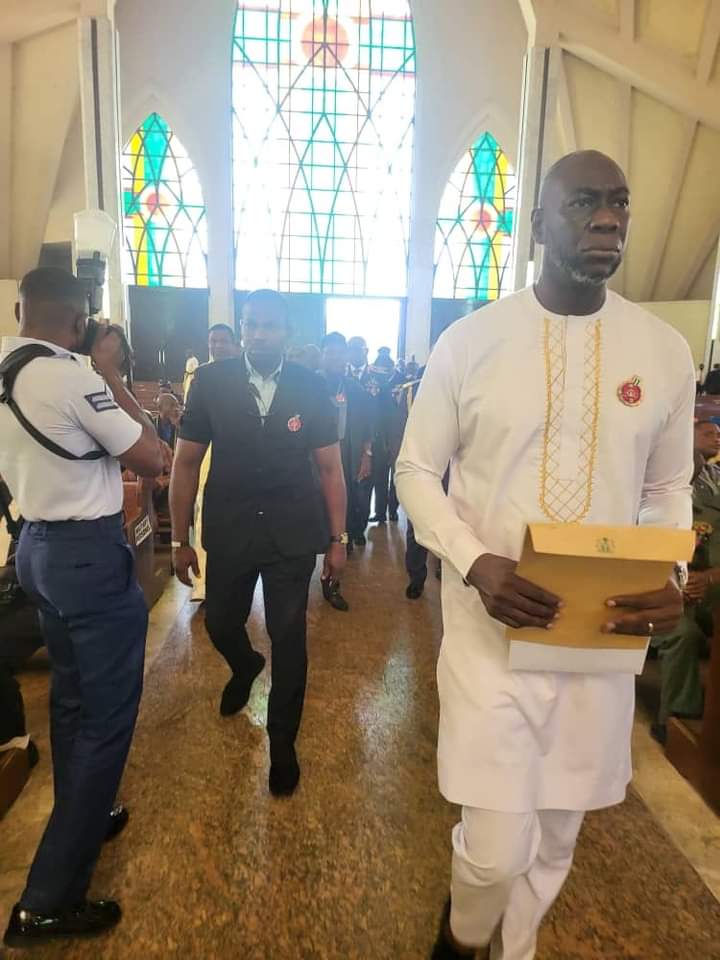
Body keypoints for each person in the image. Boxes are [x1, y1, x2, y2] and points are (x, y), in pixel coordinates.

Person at [396, 151, 692, 960]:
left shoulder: (662, 350)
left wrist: (667, 570)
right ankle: (461, 939)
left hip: (599, 638)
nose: (607, 219)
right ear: (536, 225)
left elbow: (667, 485)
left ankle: (515, 951)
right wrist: (474, 561)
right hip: (493, 632)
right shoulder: (471, 342)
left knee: (556, 838)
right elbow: (414, 470)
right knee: (496, 849)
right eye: (584, 203)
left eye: (619, 203)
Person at [0, 267, 163, 947]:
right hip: (85, 557)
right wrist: (110, 373)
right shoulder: (72, 376)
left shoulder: (5, 366)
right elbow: (151, 454)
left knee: (70, 700)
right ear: (81, 319)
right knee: (105, 717)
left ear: (21, 309)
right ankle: (47, 899)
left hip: (35, 548)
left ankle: (83, 814)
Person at [170, 289, 347, 796]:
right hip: (231, 528)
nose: (259, 334)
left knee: (288, 636)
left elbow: (330, 468)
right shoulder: (211, 382)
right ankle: (245, 664)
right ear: (242, 328)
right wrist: (179, 539)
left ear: (287, 332)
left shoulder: (310, 386)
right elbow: (185, 463)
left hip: (292, 532)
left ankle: (283, 741)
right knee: (221, 623)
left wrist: (337, 538)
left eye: (269, 325)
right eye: (251, 324)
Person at [650, 420, 720, 744]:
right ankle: (677, 721)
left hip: (709, 589)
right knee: (683, 634)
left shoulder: (715, 487)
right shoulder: (650, 483)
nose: (716, 436)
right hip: (659, 586)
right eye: (707, 431)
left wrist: (709, 577)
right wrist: (675, 578)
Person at [318, 332, 373, 606]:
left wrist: (366, 456)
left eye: (340, 354)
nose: (335, 359)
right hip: (312, 465)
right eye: (330, 353)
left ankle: (333, 583)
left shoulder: (355, 390)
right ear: (322, 355)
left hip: (345, 458)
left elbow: (368, 426)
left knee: (342, 521)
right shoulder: (308, 385)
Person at [190, 323, 238, 602]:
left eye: (222, 341)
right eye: (212, 341)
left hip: (235, 459)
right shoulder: (200, 377)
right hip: (205, 456)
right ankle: (203, 585)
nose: (217, 346)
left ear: (234, 345)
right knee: (203, 514)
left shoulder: (244, 377)